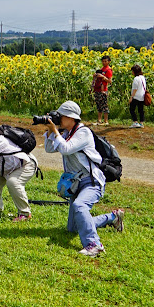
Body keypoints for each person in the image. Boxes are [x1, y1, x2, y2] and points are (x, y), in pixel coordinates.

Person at [43, 101, 124, 257]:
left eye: (61, 116)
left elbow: (66, 149)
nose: (58, 118)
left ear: (72, 118)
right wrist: (50, 132)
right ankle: (113, 217)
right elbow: (48, 148)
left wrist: (55, 131)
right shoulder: (66, 133)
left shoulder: (83, 132)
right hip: (76, 183)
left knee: (80, 206)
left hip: (91, 181)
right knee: (73, 228)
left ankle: (94, 245)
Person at [91, 55, 112, 126]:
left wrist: (103, 77)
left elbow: (109, 81)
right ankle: (99, 120)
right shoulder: (101, 69)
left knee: (104, 105)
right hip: (98, 89)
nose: (104, 62)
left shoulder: (108, 70)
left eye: (105, 61)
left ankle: (106, 121)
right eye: (103, 61)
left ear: (109, 62)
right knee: (98, 105)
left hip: (104, 90)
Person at [129, 64, 147, 128]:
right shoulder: (143, 77)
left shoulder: (136, 79)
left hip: (136, 96)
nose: (132, 72)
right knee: (141, 110)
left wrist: (131, 97)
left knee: (132, 109)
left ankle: (135, 122)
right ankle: (141, 123)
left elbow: (135, 89)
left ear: (134, 71)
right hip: (142, 96)